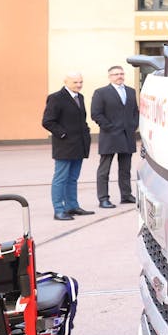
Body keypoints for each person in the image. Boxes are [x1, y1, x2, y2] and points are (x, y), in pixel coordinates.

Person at [41, 72, 93, 221]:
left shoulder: (80, 97)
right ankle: (59, 210)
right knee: (60, 178)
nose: (79, 85)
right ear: (66, 82)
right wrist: (63, 134)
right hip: (64, 146)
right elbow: (47, 121)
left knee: (73, 178)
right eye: (75, 82)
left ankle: (72, 206)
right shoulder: (56, 98)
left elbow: (81, 120)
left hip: (79, 145)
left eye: (81, 82)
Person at [90, 65, 139, 209]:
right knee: (104, 170)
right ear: (110, 76)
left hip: (127, 136)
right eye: (116, 74)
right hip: (110, 136)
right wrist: (110, 127)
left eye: (121, 73)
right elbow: (96, 114)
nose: (119, 76)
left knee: (125, 169)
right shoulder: (101, 92)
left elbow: (135, 111)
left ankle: (126, 195)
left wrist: (133, 125)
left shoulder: (131, 91)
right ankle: (103, 199)